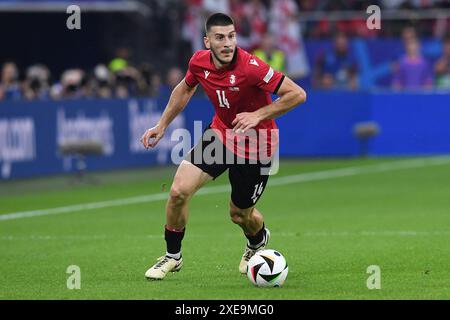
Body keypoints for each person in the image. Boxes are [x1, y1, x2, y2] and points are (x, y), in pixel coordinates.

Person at [141, 13, 306, 280]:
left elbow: (297, 94)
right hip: (221, 135)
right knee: (178, 191)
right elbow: (184, 89)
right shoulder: (198, 62)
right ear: (208, 41)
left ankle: (257, 240)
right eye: (220, 37)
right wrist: (161, 125)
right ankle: (172, 256)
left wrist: (258, 115)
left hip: (256, 144)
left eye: (231, 36)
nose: (227, 43)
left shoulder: (251, 66)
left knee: (240, 214)